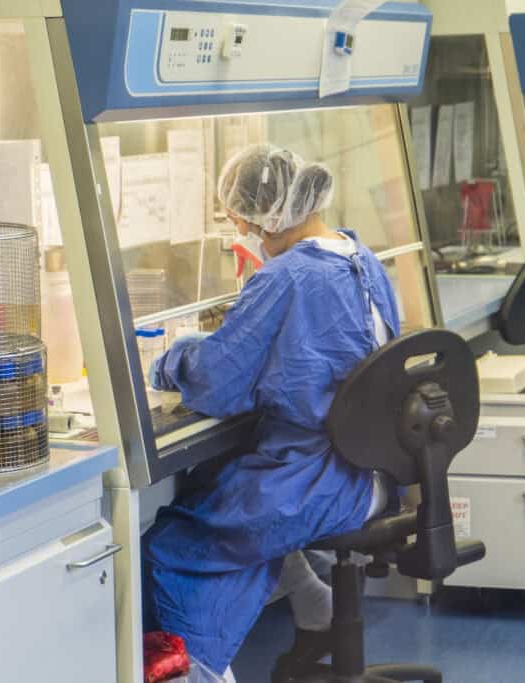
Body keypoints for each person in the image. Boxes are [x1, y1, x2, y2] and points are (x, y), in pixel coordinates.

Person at [141, 143, 399, 681]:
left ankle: (199, 670)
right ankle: (314, 605)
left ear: (269, 215)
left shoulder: (287, 278)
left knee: (177, 541)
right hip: (377, 470)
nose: (244, 234)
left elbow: (216, 384)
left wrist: (170, 361)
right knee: (223, 484)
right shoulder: (361, 257)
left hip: (320, 481)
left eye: (242, 222)